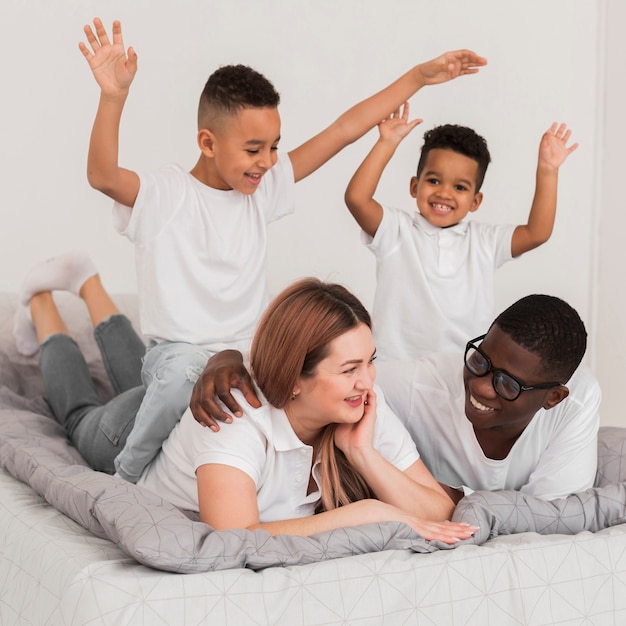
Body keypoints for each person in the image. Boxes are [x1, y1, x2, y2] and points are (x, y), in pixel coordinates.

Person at [64, 18, 487, 483]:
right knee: (177, 379)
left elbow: (343, 130)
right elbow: (103, 176)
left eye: (274, 147)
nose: (268, 161)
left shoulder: (261, 189)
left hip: (246, 352)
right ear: (208, 142)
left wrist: (418, 78)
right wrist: (113, 97)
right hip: (179, 355)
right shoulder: (167, 194)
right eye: (253, 149)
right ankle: (128, 477)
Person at [18, 260, 477, 541]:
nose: (368, 380)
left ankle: (90, 287)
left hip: (173, 407)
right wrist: (371, 512)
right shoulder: (235, 417)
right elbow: (236, 534)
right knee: (82, 416)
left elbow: (437, 509)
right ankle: (41, 303)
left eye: (370, 361)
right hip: (124, 438)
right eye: (350, 368)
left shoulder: (360, 404)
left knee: (138, 376)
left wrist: (364, 454)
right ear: (294, 378)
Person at [190, 293, 601, 502]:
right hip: (199, 439)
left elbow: (554, 514)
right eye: (479, 361)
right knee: (166, 381)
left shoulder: (577, 405)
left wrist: (451, 498)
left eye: (507, 385)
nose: (479, 386)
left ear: (553, 398)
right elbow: (307, 358)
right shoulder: (419, 382)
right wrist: (223, 358)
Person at [344, 114, 579, 359]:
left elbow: (537, 233)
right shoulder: (395, 230)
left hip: (462, 369)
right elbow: (356, 199)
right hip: (394, 367)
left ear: (475, 201)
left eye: (460, 187)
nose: (444, 193)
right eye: (434, 180)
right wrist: (386, 143)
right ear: (415, 186)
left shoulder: (485, 241)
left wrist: (548, 170)